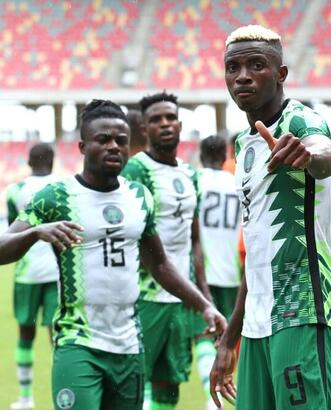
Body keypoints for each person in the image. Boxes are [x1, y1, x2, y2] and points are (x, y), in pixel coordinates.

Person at [0, 100, 225, 410]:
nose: (114, 147)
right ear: (82, 146)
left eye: (121, 140)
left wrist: (204, 305)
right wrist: (36, 232)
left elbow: (159, 264)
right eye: (103, 139)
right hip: (78, 342)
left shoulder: (138, 196)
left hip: (129, 345)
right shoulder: (56, 196)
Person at [210, 25, 331, 410]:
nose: (242, 76)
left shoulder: (302, 122)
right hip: (258, 320)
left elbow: (326, 158)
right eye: (232, 68)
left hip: (304, 306)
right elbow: (257, 252)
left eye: (257, 65)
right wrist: (228, 339)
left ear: (281, 74)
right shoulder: (242, 144)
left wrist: (308, 155)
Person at [121, 92, 210, 410]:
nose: (165, 124)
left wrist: (203, 291)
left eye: (170, 118)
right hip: (144, 296)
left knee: (168, 385)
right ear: (144, 129)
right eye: (156, 119)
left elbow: (194, 239)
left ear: (180, 124)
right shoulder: (135, 171)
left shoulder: (190, 175)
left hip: (181, 298)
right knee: (134, 380)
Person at [6, 143, 59, 410]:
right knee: (59, 340)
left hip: (27, 274)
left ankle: (26, 398)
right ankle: (62, 397)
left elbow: (8, 237)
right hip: (57, 275)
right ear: (53, 160)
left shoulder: (16, 190)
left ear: (28, 162)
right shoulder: (62, 187)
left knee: (25, 335)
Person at [194, 134, 243, 409]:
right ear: (224, 155)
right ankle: (228, 389)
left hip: (204, 273)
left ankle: (212, 399)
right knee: (228, 338)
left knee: (203, 335)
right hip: (232, 272)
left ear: (201, 156)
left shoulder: (195, 180)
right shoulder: (235, 182)